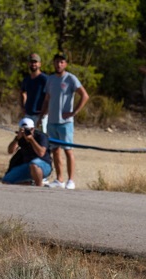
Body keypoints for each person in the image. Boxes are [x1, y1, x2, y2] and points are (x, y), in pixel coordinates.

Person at [40, 52, 89, 189]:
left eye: (62, 62)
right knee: (55, 150)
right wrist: (42, 116)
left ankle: (71, 180)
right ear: (54, 63)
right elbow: (47, 99)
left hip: (65, 123)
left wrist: (74, 112)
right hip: (52, 121)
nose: (59, 64)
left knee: (68, 150)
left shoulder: (71, 79)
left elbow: (85, 96)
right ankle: (59, 179)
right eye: (57, 61)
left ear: (65, 64)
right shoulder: (50, 79)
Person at [2, 118, 53, 187]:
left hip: (44, 165)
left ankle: (39, 187)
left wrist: (31, 140)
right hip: (28, 166)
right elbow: (10, 151)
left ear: (33, 129)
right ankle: (30, 184)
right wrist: (17, 139)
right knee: (6, 180)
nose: (26, 132)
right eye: (23, 130)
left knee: (34, 164)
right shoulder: (20, 138)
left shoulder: (41, 136)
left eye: (28, 129)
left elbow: (41, 153)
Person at [20, 53, 48, 133]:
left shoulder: (44, 79)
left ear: (40, 64)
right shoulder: (26, 79)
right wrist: (23, 107)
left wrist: (44, 113)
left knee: (41, 138)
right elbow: (23, 92)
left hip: (40, 115)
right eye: (31, 62)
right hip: (28, 114)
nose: (33, 64)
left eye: (35, 62)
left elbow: (49, 97)